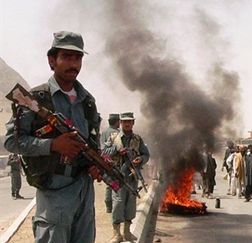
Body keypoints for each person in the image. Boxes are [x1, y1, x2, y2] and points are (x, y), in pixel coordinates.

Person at [4, 31, 101, 243]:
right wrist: (53, 145)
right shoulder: (36, 99)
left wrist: (95, 165)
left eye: (78, 58)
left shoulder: (88, 102)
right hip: (55, 191)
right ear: (52, 60)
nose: (73, 63)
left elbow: (95, 144)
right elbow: (12, 141)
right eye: (66, 56)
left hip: (84, 192)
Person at [103, 112, 150, 243]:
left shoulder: (138, 139)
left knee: (130, 204)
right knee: (118, 203)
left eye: (129, 121)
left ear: (133, 123)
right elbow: (104, 152)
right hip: (117, 176)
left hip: (132, 177)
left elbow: (146, 155)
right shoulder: (114, 138)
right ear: (120, 123)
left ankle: (127, 232)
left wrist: (140, 159)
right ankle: (116, 233)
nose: (127, 123)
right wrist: (117, 150)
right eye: (124, 121)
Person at [101, 113, 120, 213]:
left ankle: (108, 206)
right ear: (117, 122)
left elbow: (102, 148)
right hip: (114, 162)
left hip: (104, 161)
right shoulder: (117, 133)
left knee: (108, 183)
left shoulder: (104, 132)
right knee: (116, 183)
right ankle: (115, 206)